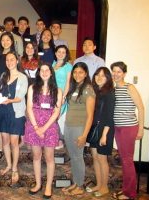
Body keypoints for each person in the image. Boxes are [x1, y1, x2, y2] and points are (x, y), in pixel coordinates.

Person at [24, 63, 62, 199]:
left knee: (49, 158)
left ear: (51, 73)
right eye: (42, 70)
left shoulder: (58, 90)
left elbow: (56, 112)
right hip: (33, 126)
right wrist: (36, 128)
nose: (45, 72)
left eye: (47, 70)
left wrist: (43, 128)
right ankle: (38, 184)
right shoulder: (32, 88)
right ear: (39, 73)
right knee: (36, 156)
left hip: (50, 127)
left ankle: (48, 186)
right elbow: (29, 108)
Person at [110, 61, 144, 200]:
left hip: (129, 127)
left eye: (119, 71)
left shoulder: (130, 87)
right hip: (118, 127)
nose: (116, 74)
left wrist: (140, 130)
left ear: (124, 73)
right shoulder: (113, 89)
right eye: (114, 71)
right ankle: (126, 189)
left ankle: (130, 194)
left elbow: (141, 108)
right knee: (124, 160)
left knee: (127, 160)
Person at [62, 62, 96, 196]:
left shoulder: (88, 89)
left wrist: (84, 135)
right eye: (75, 72)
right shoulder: (74, 87)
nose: (77, 75)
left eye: (81, 72)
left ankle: (80, 186)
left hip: (79, 128)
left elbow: (90, 115)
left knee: (78, 157)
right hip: (69, 126)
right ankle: (75, 183)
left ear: (86, 74)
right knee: (73, 156)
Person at [0, 51, 28, 186]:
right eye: (7, 60)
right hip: (2, 111)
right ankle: (8, 164)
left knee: (14, 142)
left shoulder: (22, 77)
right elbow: (0, 92)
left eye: (12, 59)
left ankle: (14, 168)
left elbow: (20, 97)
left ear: (17, 60)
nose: (9, 62)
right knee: (5, 141)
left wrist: (8, 100)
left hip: (16, 112)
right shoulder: (3, 75)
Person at [85, 67, 115, 197]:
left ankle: (105, 187)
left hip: (105, 130)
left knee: (102, 159)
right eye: (97, 75)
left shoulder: (109, 93)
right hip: (94, 128)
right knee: (95, 158)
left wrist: (104, 135)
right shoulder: (95, 92)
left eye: (103, 75)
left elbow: (109, 116)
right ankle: (98, 184)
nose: (99, 77)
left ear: (108, 78)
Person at [0, 32, 16, 152]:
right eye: (3, 40)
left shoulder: (15, 55)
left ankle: (10, 141)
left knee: (9, 115)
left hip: (10, 89)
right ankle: (0, 141)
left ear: (12, 41)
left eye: (8, 40)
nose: (5, 42)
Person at [52, 45, 72, 149]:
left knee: (57, 117)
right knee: (51, 117)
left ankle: (60, 140)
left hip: (62, 95)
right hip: (52, 94)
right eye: (59, 51)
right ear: (55, 53)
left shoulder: (68, 66)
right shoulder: (53, 64)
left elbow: (68, 82)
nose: (60, 54)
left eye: (63, 52)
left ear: (66, 54)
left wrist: (64, 96)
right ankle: (54, 138)